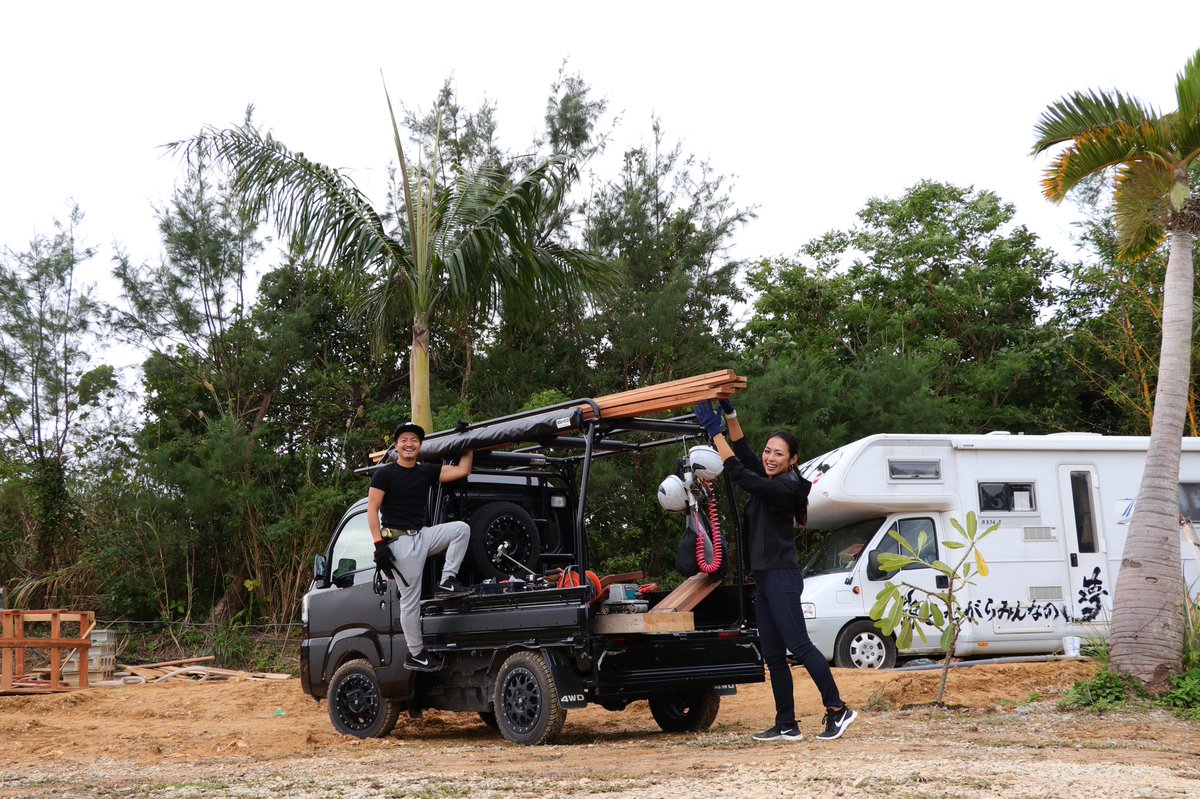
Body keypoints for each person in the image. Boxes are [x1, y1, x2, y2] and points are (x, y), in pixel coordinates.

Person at [694, 399, 857, 742]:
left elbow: (737, 471)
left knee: (799, 644)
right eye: (769, 451)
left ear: (793, 460)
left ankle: (839, 709)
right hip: (765, 579)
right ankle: (786, 724)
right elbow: (743, 452)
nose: (769, 457)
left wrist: (713, 432)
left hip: (782, 576)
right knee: (772, 654)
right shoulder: (771, 478)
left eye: (778, 454)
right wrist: (730, 415)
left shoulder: (785, 487)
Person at [369, 421, 474, 672]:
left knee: (461, 529)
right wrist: (379, 545)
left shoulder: (426, 471)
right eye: (404, 440)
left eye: (414, 440)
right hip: (399, 541)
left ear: (420, 446)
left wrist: (467, 441)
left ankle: (448, 580)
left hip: (422, 535)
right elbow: (372, 509)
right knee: (410, 601)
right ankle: (416, 653)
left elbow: (463, 470)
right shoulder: (384, 473)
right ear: (396, 446)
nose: (409, 444)